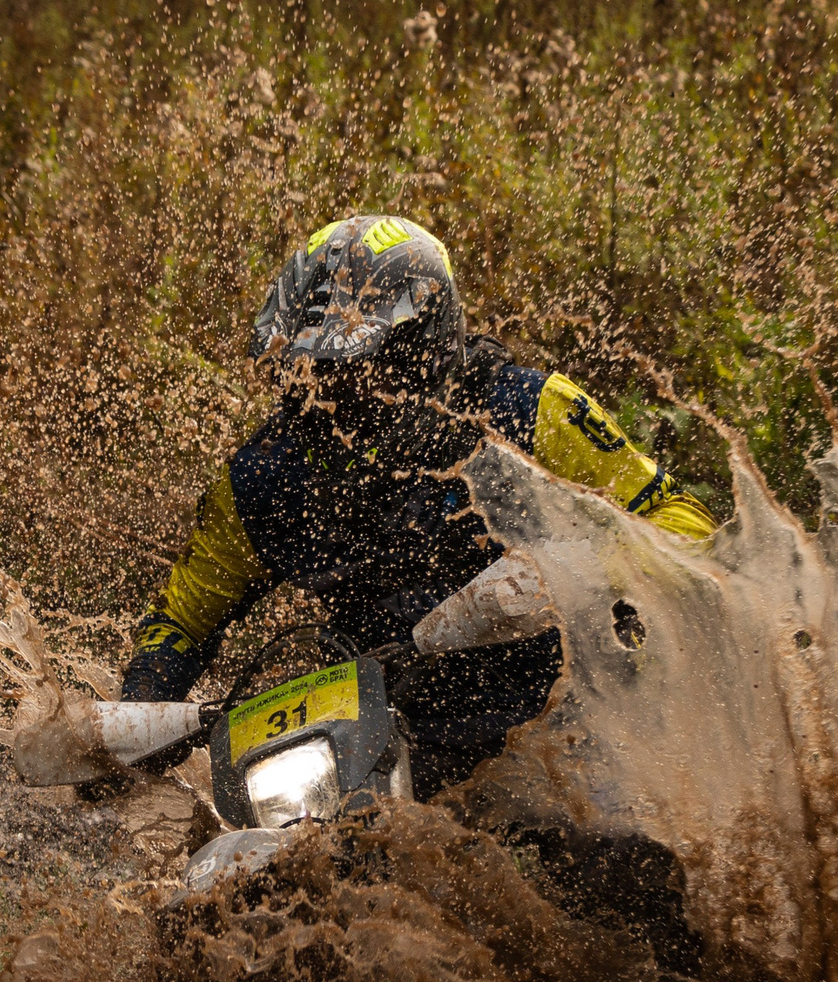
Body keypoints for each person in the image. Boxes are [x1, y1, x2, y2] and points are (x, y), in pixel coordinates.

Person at [119, 214, 715, 793]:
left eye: (348, 372)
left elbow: (681, 521)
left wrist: (577, 570)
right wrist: (137, 715)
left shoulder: (528, 412)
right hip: (398, 749)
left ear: (419, 350)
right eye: (307, 371)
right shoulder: (267, 479)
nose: (324, 396)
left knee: (625, 864)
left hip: (577, 720)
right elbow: (180, 622)